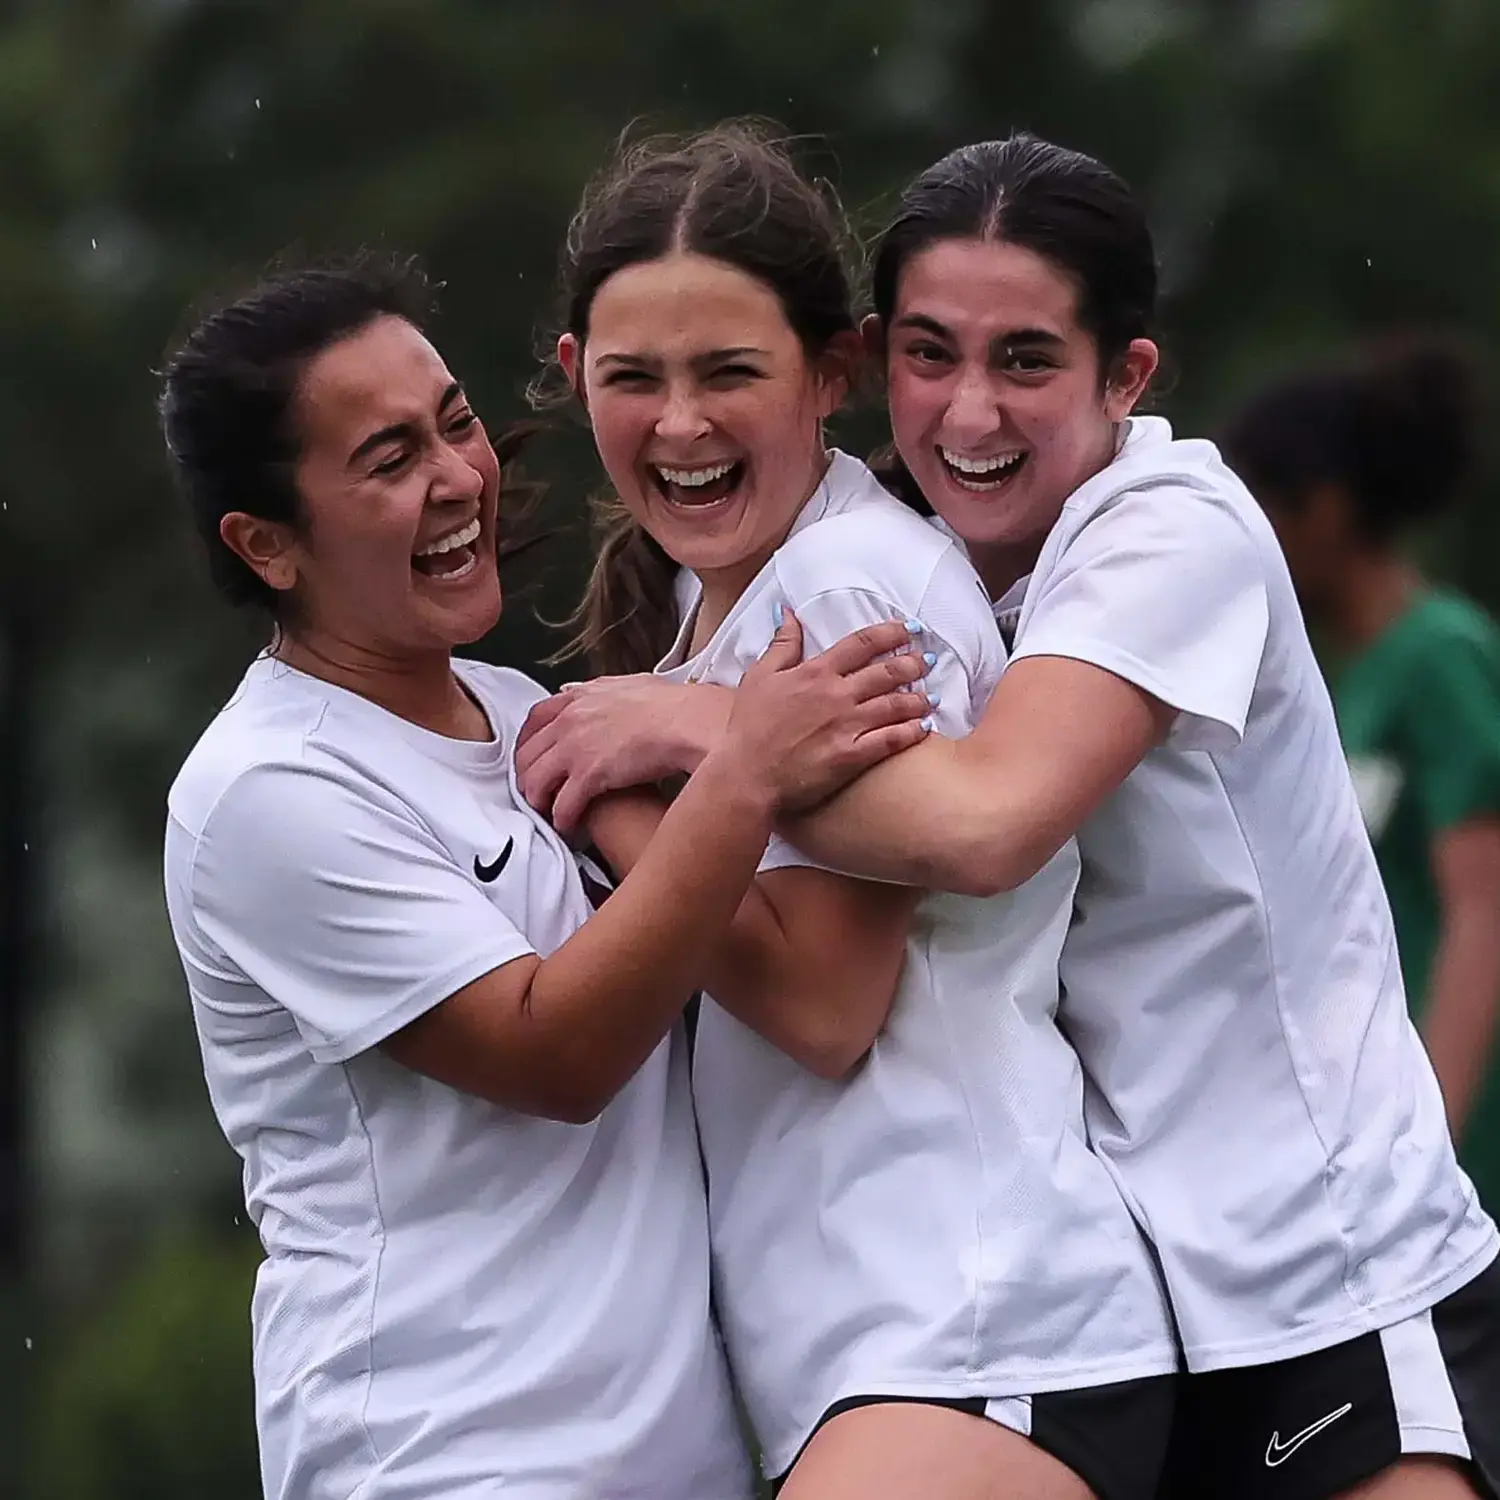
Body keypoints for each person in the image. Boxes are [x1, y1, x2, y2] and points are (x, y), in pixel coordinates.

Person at [520, 136, 1500, 1499]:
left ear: (1129, 375)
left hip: (1321, 1268)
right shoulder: (936, 566)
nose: (969, 411)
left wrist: (684, 747)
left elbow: (984, 827)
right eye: (933, 354)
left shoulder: (1164, 532)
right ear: (875, 359)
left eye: (1026, 359)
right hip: (1142, 1288)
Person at [156, 252, 933, 1500]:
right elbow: (555, 1054)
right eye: (387, 460)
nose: (459, 478)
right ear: (268, 544)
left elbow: (782, 978)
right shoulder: (269, 793)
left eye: (453, 422)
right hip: (449, 1459)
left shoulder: (529, 718)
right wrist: (743, 765)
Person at [519, 123, 1179, 1500]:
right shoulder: (720, 629)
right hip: (882, 1361)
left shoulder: (851, 588)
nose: (683, 424)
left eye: (731, 373)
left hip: (972, 1332)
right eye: (636, 377)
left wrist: (610, 806)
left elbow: (825, 1008)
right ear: (576, 377)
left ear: (835, 369)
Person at [1222, 337, 1500, 1222]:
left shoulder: (1441, 655)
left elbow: (1484, 908)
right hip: (1367, 1138)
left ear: (1328, 510)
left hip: (1450, 1158)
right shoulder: (1340, 676)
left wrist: (1431, 1150)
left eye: (1262, 502)